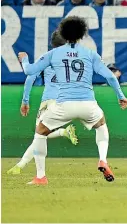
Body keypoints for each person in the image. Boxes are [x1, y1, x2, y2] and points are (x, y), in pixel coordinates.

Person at [18, 16, 127, 185]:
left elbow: (30, 71)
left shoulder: (53, 54)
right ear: (81, 34)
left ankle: (40, 176)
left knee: (40, 132)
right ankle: (102, 159)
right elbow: (110, 77)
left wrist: (24, 59)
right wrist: (121, 96)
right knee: (101, 125)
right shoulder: (90, 54)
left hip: (63, 104)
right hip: (88, 104)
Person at [7, 31, 78, 175]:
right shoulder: (73, 59)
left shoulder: (46, 58)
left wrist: (25, 100)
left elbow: (30, 77)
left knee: (39, 135)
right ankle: (19, 166)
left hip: (49, 100)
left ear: (51, 43)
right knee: (41, 135)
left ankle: (36, 173)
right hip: (66, 100)